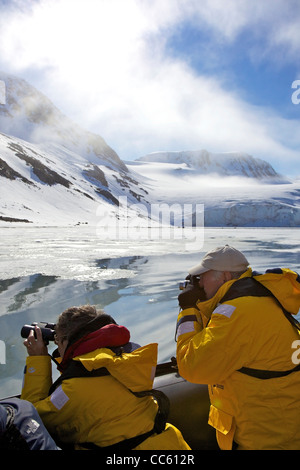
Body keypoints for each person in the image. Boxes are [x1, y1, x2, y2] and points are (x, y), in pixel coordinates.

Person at [176, 244, 300, 450]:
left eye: (202, 276)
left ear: (224, 277)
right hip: (281, 427)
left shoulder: (237, 313)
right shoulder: (259, 299)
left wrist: (188, 311)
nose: (198, 283)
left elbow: (192, 367)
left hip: (266, 439)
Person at [21, 305, 190, 450]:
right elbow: (87, 372)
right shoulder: (128, 362)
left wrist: (38, 359)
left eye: (58, 340)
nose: (57, 345)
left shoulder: (73, 391)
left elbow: (32, 418)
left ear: (68, 341)